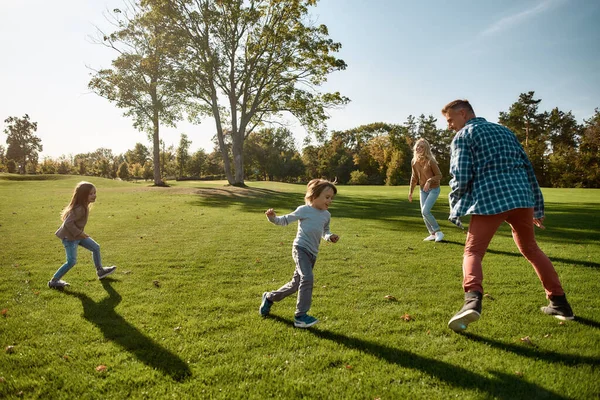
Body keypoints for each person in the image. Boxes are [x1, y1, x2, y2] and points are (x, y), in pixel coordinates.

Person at [441, 99, 574, 332]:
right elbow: (528, 168)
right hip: (522, 198)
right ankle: (560, 304)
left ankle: (472, 302)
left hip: (490, 199)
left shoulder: (464, 136)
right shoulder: (505, 131)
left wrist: (455, 207)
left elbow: (460, 176)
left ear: (463, 114)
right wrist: (537, 206)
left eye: (451, 120)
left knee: (473, 251)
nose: (450, 126)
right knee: (531, 249)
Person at [259, 179, 340, 328]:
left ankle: (269, 297)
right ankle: (301, 316)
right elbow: (284, 220)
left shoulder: (326, 215)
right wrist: (272, 218)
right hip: (300, 248)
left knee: (295, 284)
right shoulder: (304, 210)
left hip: (312, 253)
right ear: (314, 195)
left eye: (331, 198)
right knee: (307, 278)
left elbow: (325, 231)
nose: (330, 200)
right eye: (327, 197)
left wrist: (329, 236)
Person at [48, 181, 116, 288]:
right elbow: (67, 223)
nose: (94, 195)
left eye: (94, 193)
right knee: (71, 262)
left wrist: (80, 234)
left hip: (77, 236)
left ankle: (100, 271)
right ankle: (54, 281)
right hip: (70, 238)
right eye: (91, 194)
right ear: (83, 195)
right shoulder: (79, 208)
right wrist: (80, 233)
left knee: (95, 247)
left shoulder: (84, 206)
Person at [408, 138, 444, 242]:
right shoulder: (414, 162)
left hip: (434, 189)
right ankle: (432, 234)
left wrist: (429, 181)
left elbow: (439, 175)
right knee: (423, 213)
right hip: (422, 190)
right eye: (418, 146)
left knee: (425, 211)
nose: (419, 148)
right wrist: (410, 192)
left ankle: (438, 232)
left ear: (426, 149)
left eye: (422, 146)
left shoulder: (430, 161)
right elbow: (414, 178)